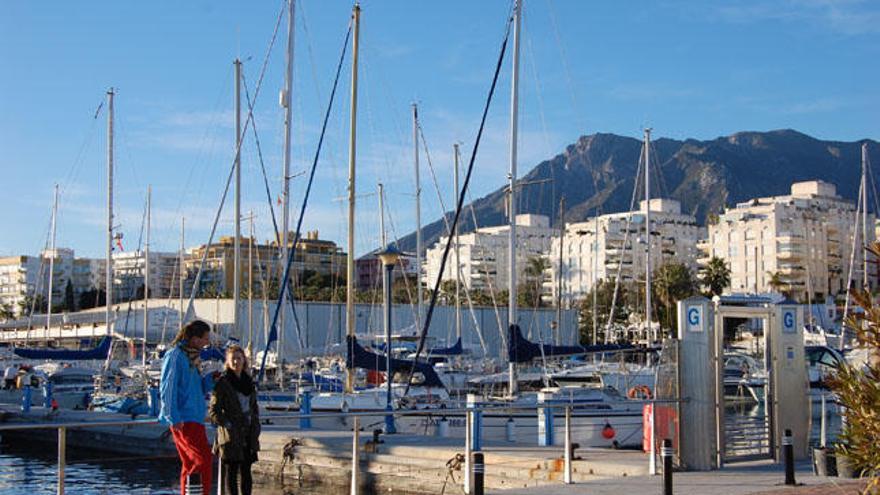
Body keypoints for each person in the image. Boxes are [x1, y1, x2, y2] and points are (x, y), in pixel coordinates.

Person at [159, 320, 217, 495]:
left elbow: (197, 387)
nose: (207, 342)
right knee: (203, 460)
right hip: (184, 419)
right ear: (194, 338)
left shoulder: (192, 357)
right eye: (205, 338)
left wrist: (211, 380)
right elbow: (167, 387)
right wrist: (172, 417)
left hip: (195, 417)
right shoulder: (175, 355)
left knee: (191, 463)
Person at [209, 344, 260, 495]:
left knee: (246, 471)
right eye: (233, 359)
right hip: (230, 435)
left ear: (244, 360)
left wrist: (255, 425)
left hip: (248, 432)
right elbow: (214, 411)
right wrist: (227, 424)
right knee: (231, 472)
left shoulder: (248, 382)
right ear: (228, 362)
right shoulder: (223, 383)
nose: (236, 362)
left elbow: (254, 407)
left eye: (239, 358)